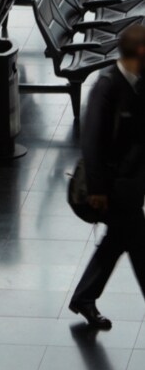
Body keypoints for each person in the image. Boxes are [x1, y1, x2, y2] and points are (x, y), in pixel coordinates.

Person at [69, 24, 145, 329]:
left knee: (119, 239)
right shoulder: (107, 87)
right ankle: (84, 297)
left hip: (130, 184)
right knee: (139, 242)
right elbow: (92, 143)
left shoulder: (140, 82)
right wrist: (98, 190)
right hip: (110, 189)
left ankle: (84, 298)